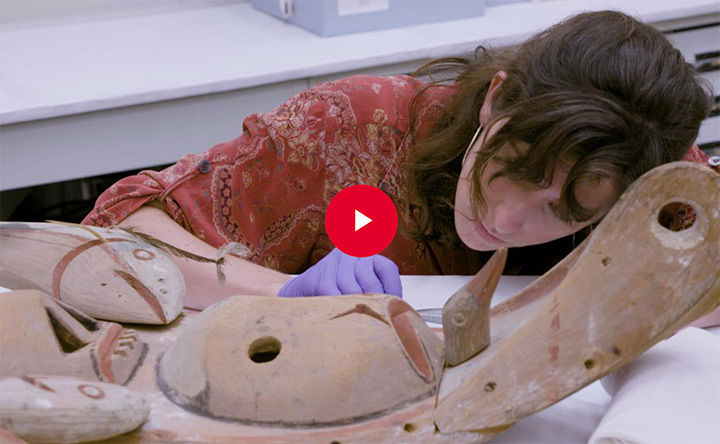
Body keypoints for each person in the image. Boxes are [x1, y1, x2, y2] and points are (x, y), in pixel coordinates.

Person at [83, 11, 717, 318]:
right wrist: (281, 293)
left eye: (566, 208)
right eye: (516, 168)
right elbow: (119, 229)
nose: (507, 217)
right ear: (495, 98)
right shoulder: (353, 125)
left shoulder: (655, 175)